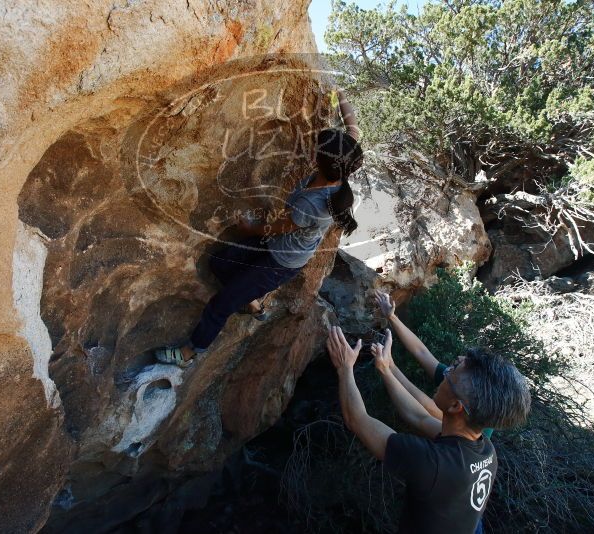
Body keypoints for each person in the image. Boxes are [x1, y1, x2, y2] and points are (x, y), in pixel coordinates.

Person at [155, 89, 363, 367]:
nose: (313, 149)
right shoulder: (342, 165)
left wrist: (248, 226)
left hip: (282, 260)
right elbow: (353, 128)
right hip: (278, 247)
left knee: (221, 304)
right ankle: (253, 301)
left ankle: (190, 353)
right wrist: (341, 95)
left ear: (323, 162)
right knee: (219, 262)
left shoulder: (312, 204)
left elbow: (273, 229)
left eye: (317, 149)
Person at [325, 296, 531, 534]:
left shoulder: (433, 463)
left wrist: (344, 368)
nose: (445, 372)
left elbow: (357, 420)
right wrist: (386, 369)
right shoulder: (482, 448)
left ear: (456, 407)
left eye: (452, 373)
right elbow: (418, 417)